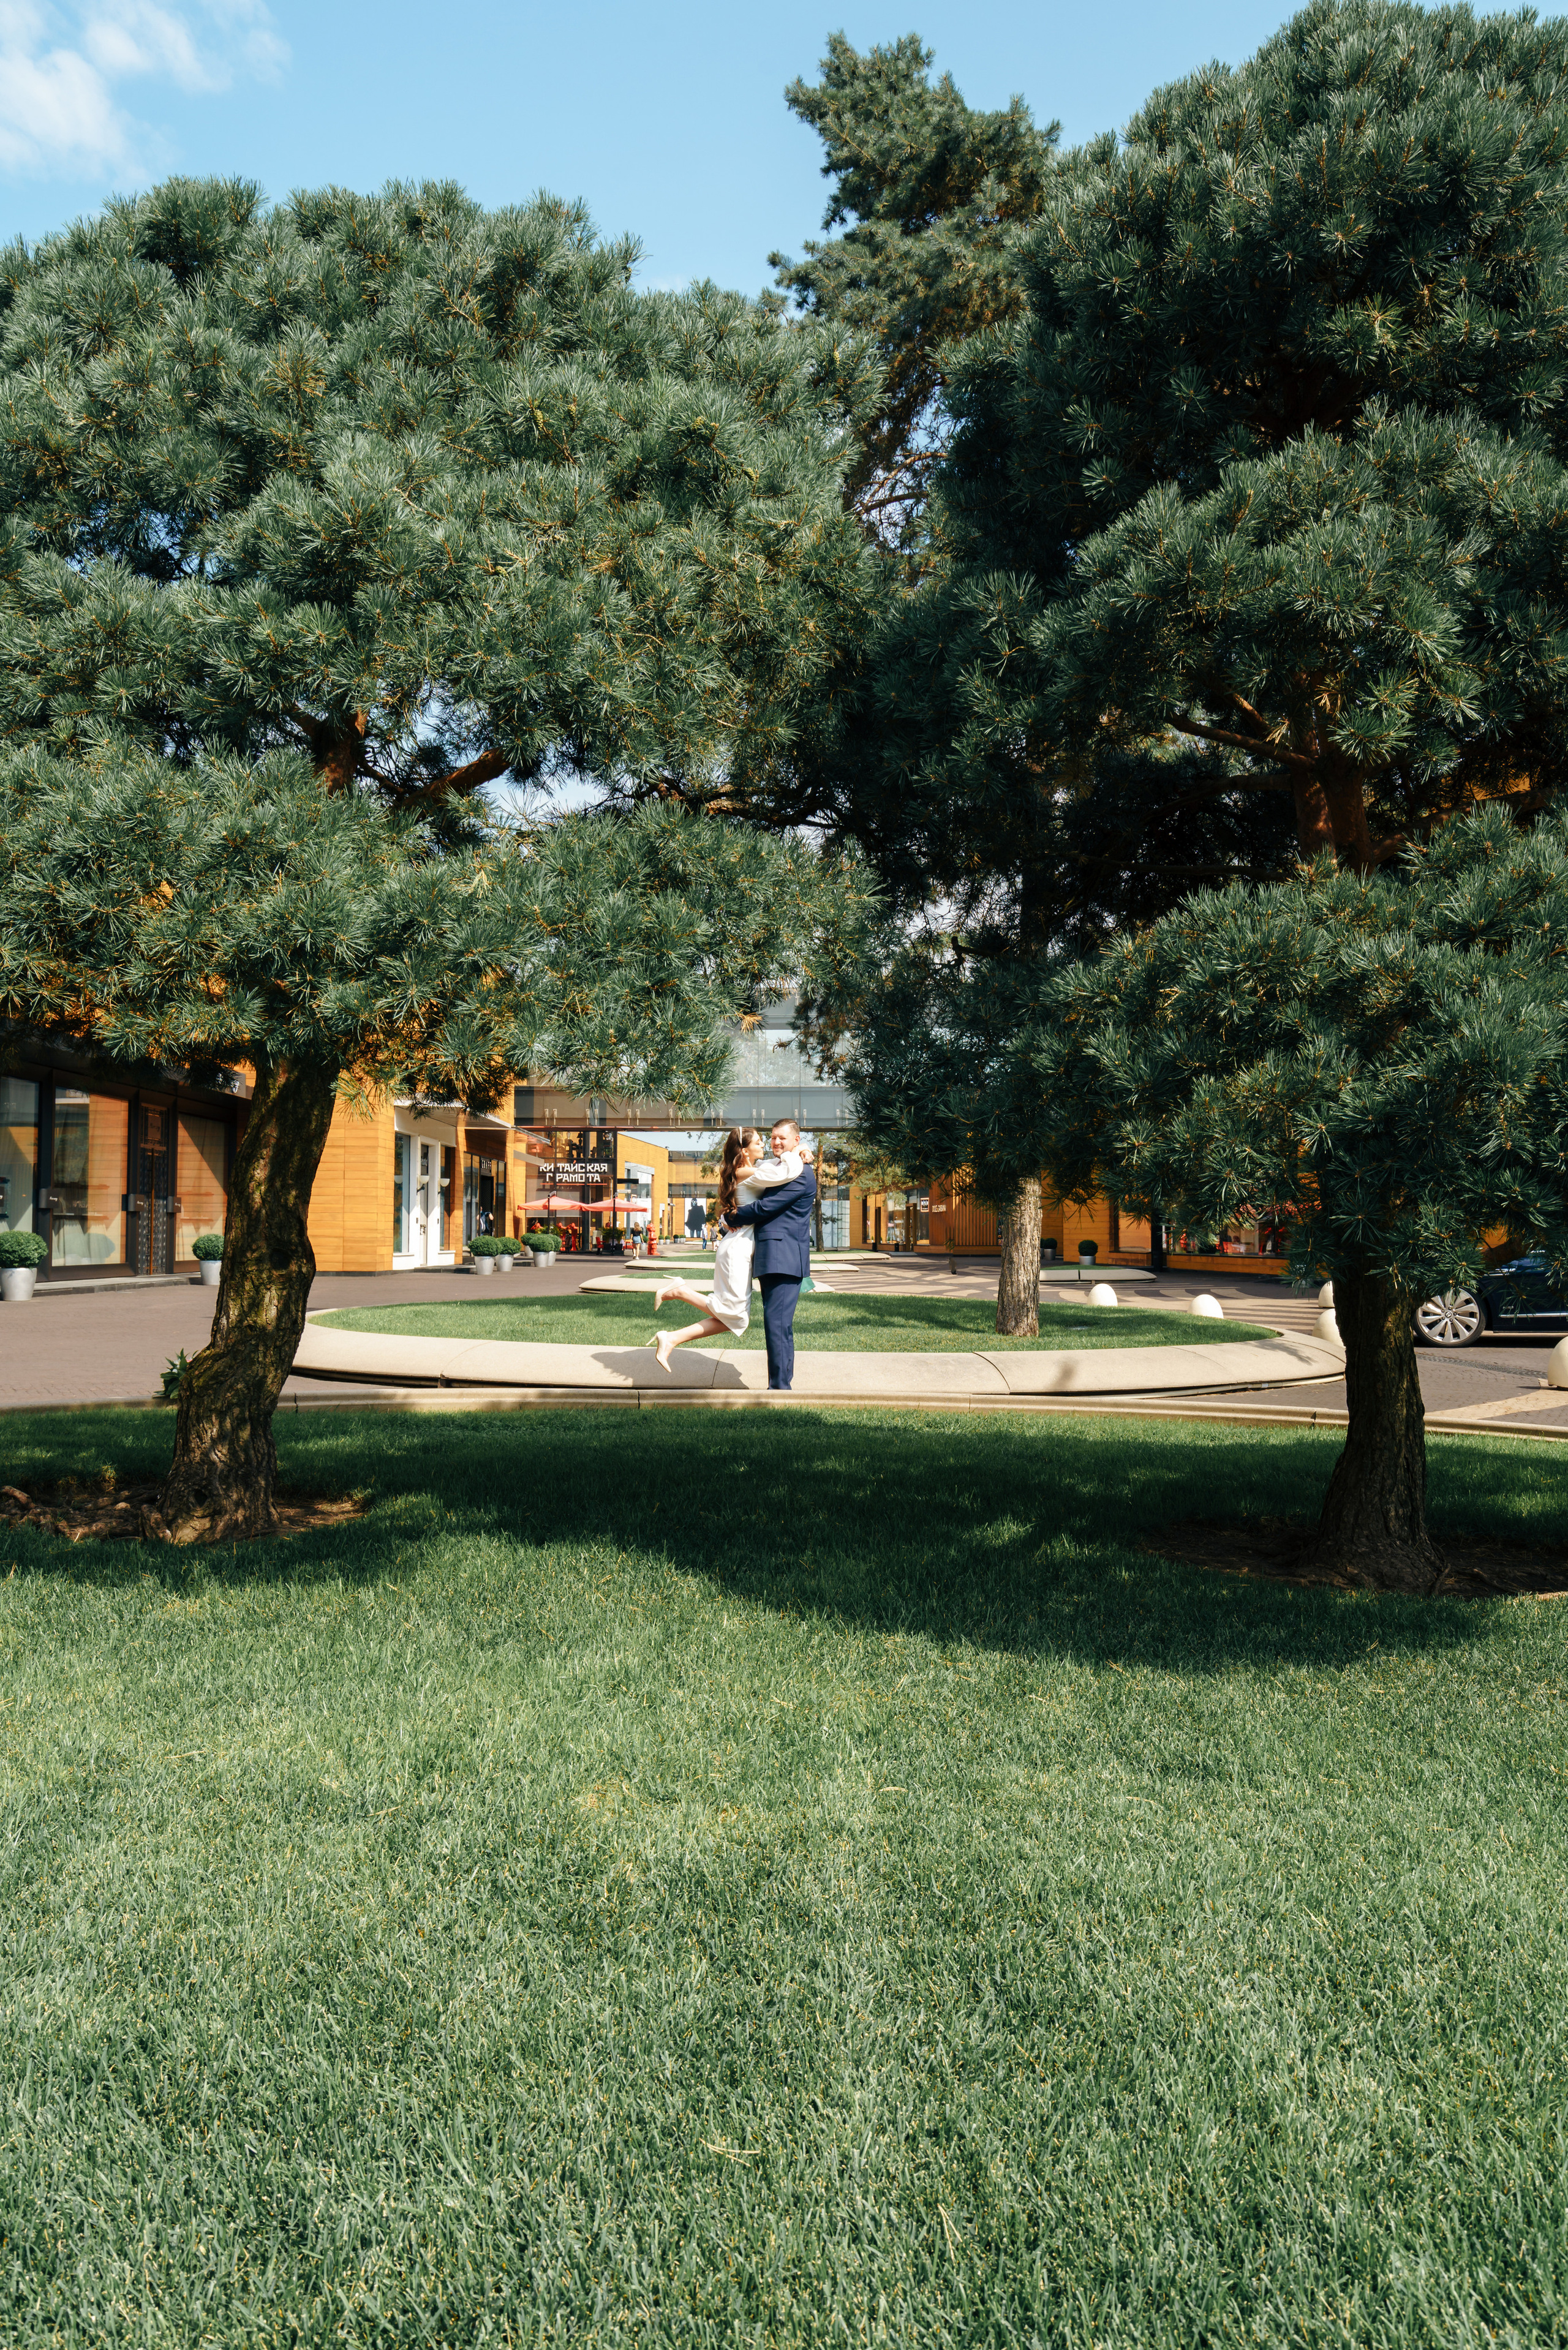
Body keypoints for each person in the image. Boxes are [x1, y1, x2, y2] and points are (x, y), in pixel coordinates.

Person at [648, 1128, 809, 1374]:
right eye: (760, 1141)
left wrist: (800, 1149)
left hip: (739, 1245)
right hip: (738, 1248)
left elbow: (773, 1165)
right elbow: (788, 1170)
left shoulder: (751, 1169)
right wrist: (797, 1151)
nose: (766, 1144)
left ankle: (671, 1338)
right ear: (745, 1150)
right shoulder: (749, 1172)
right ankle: (679, 1293)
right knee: (735, 1316)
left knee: (736, 1317)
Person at [725, 1118, 816, 1391]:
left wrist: (732, 1215)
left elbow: (767, 1207)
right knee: (778, 1325)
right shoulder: (780, 1165)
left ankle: (779, 1389)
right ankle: (781, 1384)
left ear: (796, 1140)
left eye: (783, 1138)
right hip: (773, 1255)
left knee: (777, 1324)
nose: (776, 1142)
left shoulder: (801, 1172)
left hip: (784, 1257)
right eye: (773, 1137)